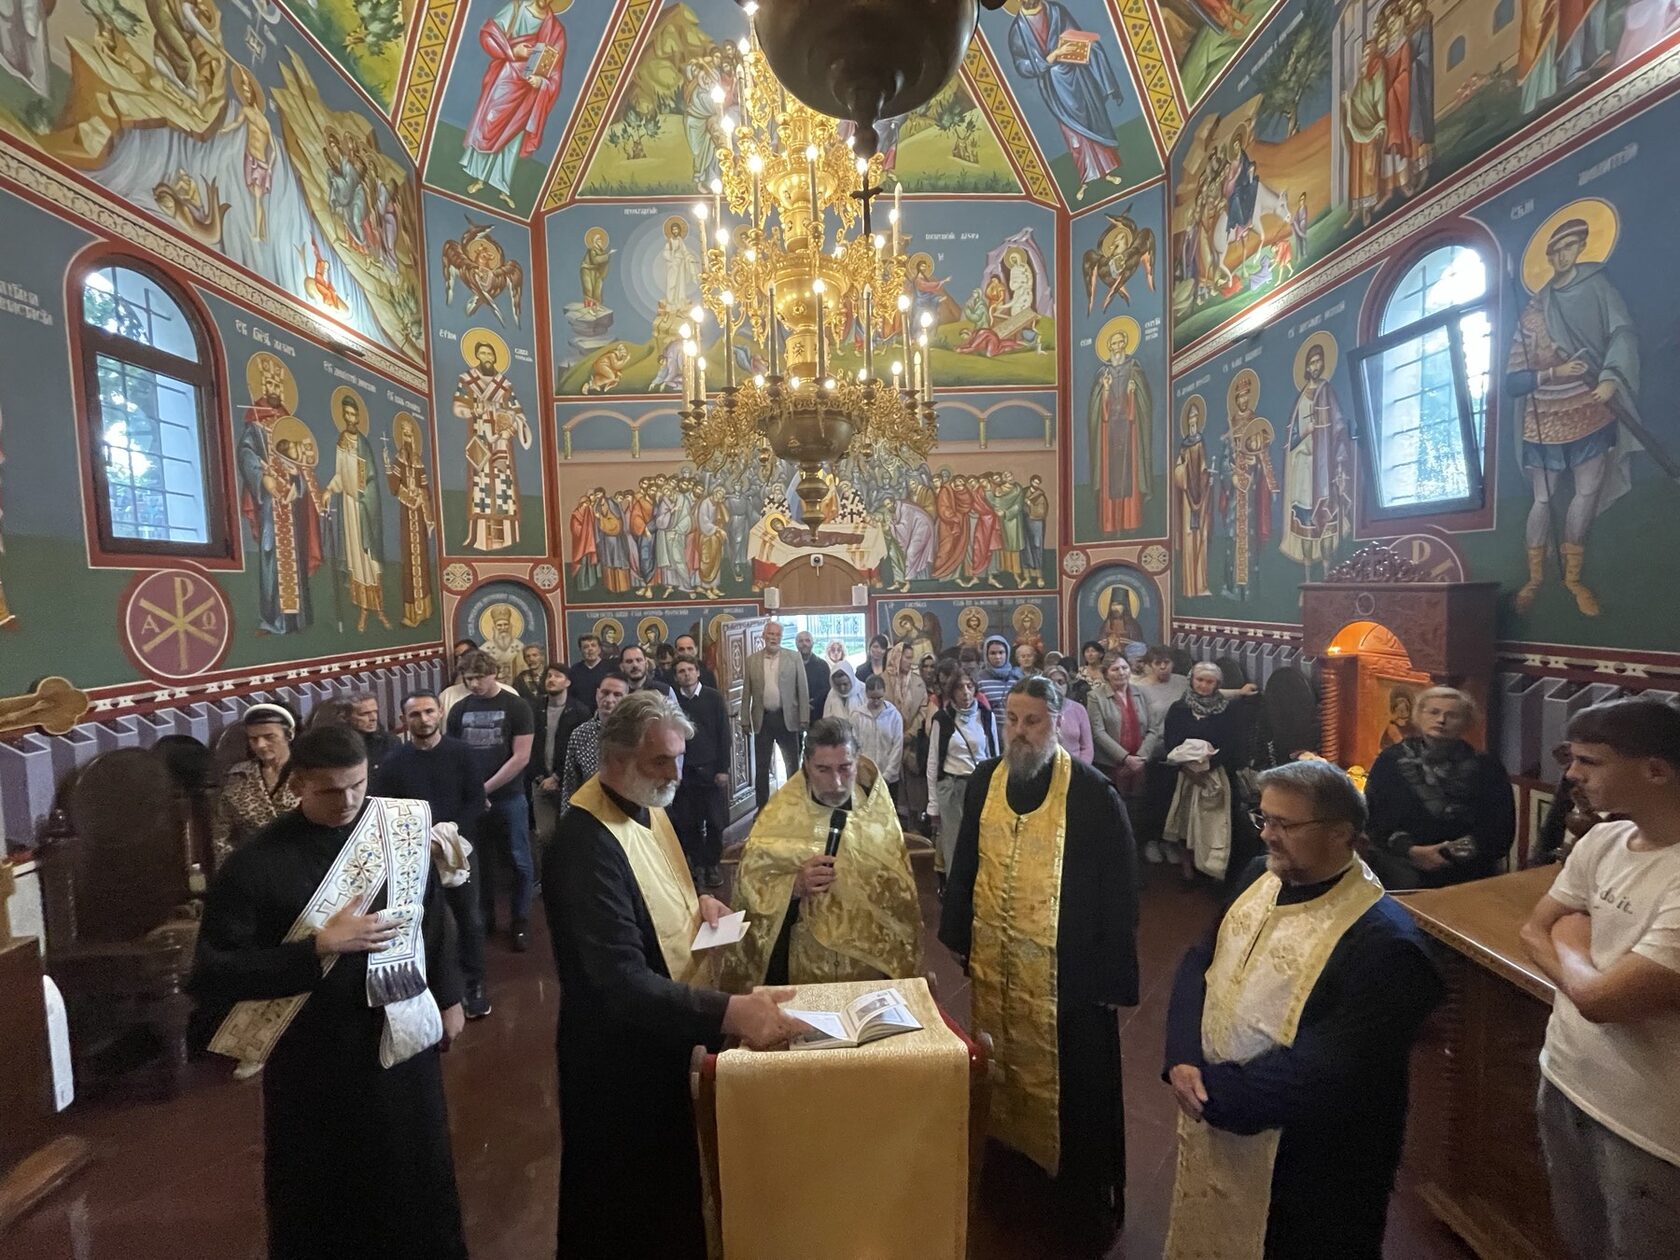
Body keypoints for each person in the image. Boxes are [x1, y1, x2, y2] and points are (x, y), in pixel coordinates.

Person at [542, 691, 810, 1258]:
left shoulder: (649, 806)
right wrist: (731, 1011)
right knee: (626, 1210)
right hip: (618, 1063)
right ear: (615, 758)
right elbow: (617, 980)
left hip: (663, 1039)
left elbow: (656, 898)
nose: (676, 774)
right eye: (660, 761)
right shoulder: (583, 844)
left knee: (673, 1195)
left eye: (679, 758)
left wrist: (699, 904)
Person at [190, 726, 468, 1259]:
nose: (348, 802)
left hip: (402, 1040)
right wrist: (317, 948)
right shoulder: (256, 863)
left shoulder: (398, 829)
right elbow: (215, 973)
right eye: (330, 791)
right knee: (326, 1194)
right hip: (316, 1055)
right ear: (297, 786)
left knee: (416, 1178)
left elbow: (431, 917)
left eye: (357, 785)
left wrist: (450, 995)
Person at [1162, 760, 1443, 1260]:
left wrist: (1210, 1096)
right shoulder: (1260, 874)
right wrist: (1182, 1056)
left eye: (1284, 825)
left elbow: (1332, 1067)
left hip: (1310, 1158)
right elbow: (1201, 957)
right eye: (1264, 818)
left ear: (1341, 834)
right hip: (1218, 1105)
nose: (1266, 835)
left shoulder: (1386, 941)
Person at [940, 677, 1139, 1237]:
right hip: (998, 969)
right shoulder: (986, 780)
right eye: (1012, 720)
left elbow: (1120, 892)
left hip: (1068, 978)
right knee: (1001, 1070)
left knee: (1073, 1087)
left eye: (1032, 721)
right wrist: (959, 933)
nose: (1020, 732)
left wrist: (1111, 977)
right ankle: (1011, 1180)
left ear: (1057, 721)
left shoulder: (1092, 794)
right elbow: (966, 860)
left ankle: (1072, 1198)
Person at [1520, 697, 1680, 1259]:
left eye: (1590, 761)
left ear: (1655, 770)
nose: (1571, 775)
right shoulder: (1604, 839)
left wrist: (1570, 937)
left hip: (1647, 1121)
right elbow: (1532, 929)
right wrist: (1572, 950)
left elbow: (1602, 1001)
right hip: (1565, 1074)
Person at [723, 716, 920, 991]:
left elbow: (899, 896)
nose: (836, 783)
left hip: (868, 968)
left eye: (845, 768)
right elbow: (751, 890)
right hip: (803, 967)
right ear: (806, 765)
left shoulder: (876, 815)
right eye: (823, 769)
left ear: (857, 761)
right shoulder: (779, 818)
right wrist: (793, 886)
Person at [376, 691, 491, 1020]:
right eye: (415, 714)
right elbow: (387, 809)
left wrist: (447, 834)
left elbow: (476, 801)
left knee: (468, 918)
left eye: (429, 712)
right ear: (404, 720)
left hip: (459, 850)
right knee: (424, 920)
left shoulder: (462, 753)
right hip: (415, 853)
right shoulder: (394, 762)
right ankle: (432, 986)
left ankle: (474, 984)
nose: (423, 719)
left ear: (440, 713)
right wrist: (421, 840)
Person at [1364, 687, 1514, 889]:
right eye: (1434, 712)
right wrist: (1412, 852)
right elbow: (1373, 819)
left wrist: (1448, 854)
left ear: (1467, 723)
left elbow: (1500, 829)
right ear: (1418, 716)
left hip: (1469, 874)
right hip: (1400, 868)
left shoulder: (1487, 767)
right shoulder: (1390, 760)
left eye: (1452, 715)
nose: (1441, 720)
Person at [446, 649, 535, 951]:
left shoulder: (516, 706)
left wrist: (483, 789)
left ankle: (520, 920)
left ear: (493, 674)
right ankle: (485, 919)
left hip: (509, 796)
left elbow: (520, 757)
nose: (473, 684)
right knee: (478, 862)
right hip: (473, 800)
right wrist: (471, 793)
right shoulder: (459, 709)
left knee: (518, 860)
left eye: (479, 678)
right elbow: (455, 756)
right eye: (468, 678)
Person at [1161, 662, 1261, 880]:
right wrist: (1187, 768)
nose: (1204, 685)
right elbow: (1170, 741)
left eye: (1210, 682)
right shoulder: (1179, 709)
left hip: (1217, 774)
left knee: (1215, 825)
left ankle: (1213, 869)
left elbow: (1234, 744)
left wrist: (1208, 766)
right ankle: (1188, 868)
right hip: (1183, 775)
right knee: (1184, 822)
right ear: (1192, 680)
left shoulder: (1228, 711)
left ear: (1217, 684)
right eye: (1200, 680)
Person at [926, 668, 1001, 889]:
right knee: (954, 846)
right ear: (952, 691)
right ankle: (956, 892)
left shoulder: (986, 716)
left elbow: (994, 755)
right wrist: (933, 804)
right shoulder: (943, 719)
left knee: (982, 842)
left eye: (970, 686)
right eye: (960, 687)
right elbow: (933, 762)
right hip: (952, 787)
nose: (965, 692)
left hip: (980, 785)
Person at [212, 704, 301, 867]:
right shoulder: (238, 776)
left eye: (269, 737)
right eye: (254, 739)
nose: (260, 745)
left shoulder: (308, 771)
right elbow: (221, 835)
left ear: (289, 735)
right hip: (254, 866)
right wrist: (235, 869)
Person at [671, 657, 731, 889]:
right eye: (681, 671)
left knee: (715, 822)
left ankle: (712, 864)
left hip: (711, 771)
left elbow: (723, 734)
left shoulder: (713, 697)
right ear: (676, 677)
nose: (686, 674)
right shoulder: (673, 701)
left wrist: (723, 769)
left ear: (697, 672)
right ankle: (698, 865)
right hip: (685, 772)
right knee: (689, 822)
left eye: (690, 670)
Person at [741, 621, 809, 809]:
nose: (774, 638)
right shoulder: (752, 660)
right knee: (761, 767)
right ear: (764, 635)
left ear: (781, 637)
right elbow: (746, 692)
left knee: (792, 766)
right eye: (770, 634)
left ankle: (794, 806)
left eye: (777, 635)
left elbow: (803, 690)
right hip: (763, 720)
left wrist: (804, 717)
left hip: (787, 719)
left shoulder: (793, 658)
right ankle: (762, 809)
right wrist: (744, 719)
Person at [529, 663, 589, 863]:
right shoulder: (535, 708)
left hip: (570, 783)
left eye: (557, 676)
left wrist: (557, 777)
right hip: (540, 781)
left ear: (568, 682)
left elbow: (581, 750)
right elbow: (530, 745)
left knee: (571, 834)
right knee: (544, 835)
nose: (551, 679)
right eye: (549, 676)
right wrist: (540, 776)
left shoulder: (579, 711)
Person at [1086, 655, 1162, 799]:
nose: (1121, 672)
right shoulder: (1095, 696)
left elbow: (1153, 728)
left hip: (1141, 764)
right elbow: (1098, 732)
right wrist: (1125, 758)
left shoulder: (1142, 693)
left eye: (1124, 668)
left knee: (1139, 807)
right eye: (1115, 669)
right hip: (1110, 766)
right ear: (1106, 673)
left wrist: (1139, 758)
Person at [559, 672, 631, 812]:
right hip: (590, 811)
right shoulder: (580, 734)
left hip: (627, 811)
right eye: (605, 692)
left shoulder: (636, 733)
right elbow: (570, 783)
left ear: (627, 699)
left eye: (617, 695)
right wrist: (567, 817)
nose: (609, 699)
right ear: (597, 694)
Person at [853, 675, 905, 802]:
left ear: (885, 692)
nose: (876, 702)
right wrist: (862, 772)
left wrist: (888, 775)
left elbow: (897, 747)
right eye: (872, 698)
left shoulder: (894, 716)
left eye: (879, 698)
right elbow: (854, 746)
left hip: (889, 778)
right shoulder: (857, 716)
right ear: (866, 694)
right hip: (865, 778)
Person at [1046, 664, 1094, 763]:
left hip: (1076, 766)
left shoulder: (1079, 709)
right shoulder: (1036, 709)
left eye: (1060, 682)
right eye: (1051, 682)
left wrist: (1080, 768)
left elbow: (1087, 748)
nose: (1056, 686)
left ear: (1067, 685)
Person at [345, 691, 396, 775]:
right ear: (347, 717)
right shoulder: (338, 746)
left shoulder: (391, 742)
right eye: (364, 714)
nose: (373, 718)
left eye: (375, 712)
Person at [974, 633, 1024, 711]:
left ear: (1007, 653)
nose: (997, 657)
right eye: (993, 653)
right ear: (986, 655)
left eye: (1001, 652)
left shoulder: (1017, 677)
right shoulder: (980, 679)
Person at [567, 633, 611, 712]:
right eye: (586, 647)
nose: (590, 649)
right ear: (581, 651)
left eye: (593, 645)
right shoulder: (574, 671)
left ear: (599, 649)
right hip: (580, 714)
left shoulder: (610, 668)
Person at [795, 629, 831, 723]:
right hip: (795, 712)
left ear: (812, 643)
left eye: (807, 640)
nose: (804, 644)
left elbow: (826, 688)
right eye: (801, 641)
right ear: (796, 644)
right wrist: (800, 704)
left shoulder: (822, 665)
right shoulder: (790, 665)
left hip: (817, 712)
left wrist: (813, 703)